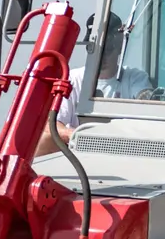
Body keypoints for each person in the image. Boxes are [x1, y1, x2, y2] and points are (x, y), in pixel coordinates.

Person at [52, 12, 150, 146]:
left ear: (120, 46)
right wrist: (76, 135)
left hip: (123, 148)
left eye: (107, 49)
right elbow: (53, 124)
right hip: (79, 151)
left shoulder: (135, 78)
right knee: (44, 140)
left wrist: (149, 98)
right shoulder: (73, 79)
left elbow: (145, 98)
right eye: (95, 50)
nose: (101, 57)